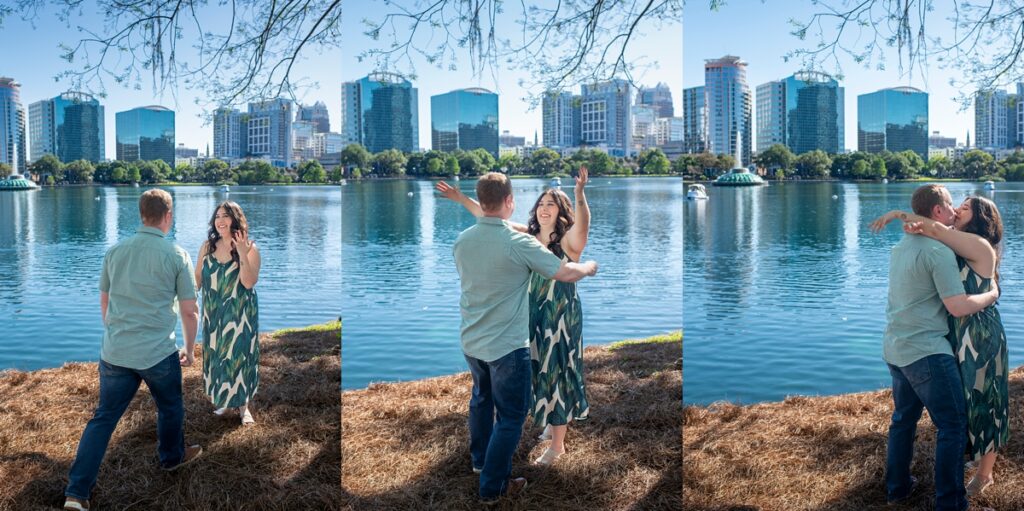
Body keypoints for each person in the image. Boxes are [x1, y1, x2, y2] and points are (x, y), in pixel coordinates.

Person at [451, 172, 598, 505]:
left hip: (555, 320)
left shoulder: (566, 240)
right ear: (515, 203)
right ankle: (498, 475)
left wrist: (579, 193)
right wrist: (589, 268)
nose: (544, 208)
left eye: (551, 204)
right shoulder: (525, 237)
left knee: (552, 378)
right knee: (527, 387)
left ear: (562, 211)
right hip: (527, 321)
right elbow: (489, 215)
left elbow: (583, 225)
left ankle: (552, 444)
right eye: (541, 203)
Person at [64, 189, 203, 511]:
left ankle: (76, 493)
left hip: (116, 351)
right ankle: (172, 458)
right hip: (158, 352)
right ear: (168, 216)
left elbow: (105, 303)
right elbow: (190, 311)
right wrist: (190, 349)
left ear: (141, 215)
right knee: (170, 406)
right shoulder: (176, 255)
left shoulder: (114, 252)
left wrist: (117, 333)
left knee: (103, 419)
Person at [869, 184, 999, 511]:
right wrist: (993, 294)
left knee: (903, 421)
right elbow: (956, 306)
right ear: (938, 211)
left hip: (895, 347)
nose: (955, 210)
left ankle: (897, 489)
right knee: (953, 425)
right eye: (952, 205)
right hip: (926, 351)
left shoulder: (902, 245)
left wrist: (899, 215)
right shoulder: (938, 251)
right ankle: (951, 503)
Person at [195, 201, 261, 426]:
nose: (220, 220)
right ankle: (224, 399)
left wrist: (241, 252)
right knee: (218, 357)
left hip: (240, 315)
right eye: (217, 216)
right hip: (213, 314)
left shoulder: (251, 248)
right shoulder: (207, 247)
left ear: (235, 219)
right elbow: (197, 279)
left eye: (225, 215)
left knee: (240, 357)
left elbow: (248, 282)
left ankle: (244, 407)